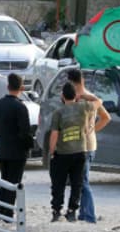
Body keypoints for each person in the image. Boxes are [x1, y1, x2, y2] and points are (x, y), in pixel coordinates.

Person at [47, 82, 101, 222]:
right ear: (75, 96)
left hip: (62, 153)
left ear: (62, 96)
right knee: (76, 184)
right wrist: (83, 95)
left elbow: (54, 134)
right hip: (80, 152)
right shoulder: (83, 107)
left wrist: (51, 152)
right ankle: (71, 211)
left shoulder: (58, 113)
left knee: (58, 184)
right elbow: (98, 101)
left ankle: (56, 211)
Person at [67, 69, 112, 223]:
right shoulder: (90, 97)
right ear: (82, 80)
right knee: (81, 180)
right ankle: (83, 213)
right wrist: (93, 131)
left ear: (70, 82)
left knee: (82, 182)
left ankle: (90, 215)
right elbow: (106, 118)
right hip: (91, 144)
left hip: (80, 146)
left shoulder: (75, 99)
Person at [0, 73, 33, 221]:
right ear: (21, 88)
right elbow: (25, 131)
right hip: (18, 151)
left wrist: (3, 137)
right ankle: (8, 214)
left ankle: (1, 211)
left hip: (3, 148)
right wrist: (29, 145)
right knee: (14, 182)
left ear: (7, 86)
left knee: (4, 180)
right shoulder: (20, 107)